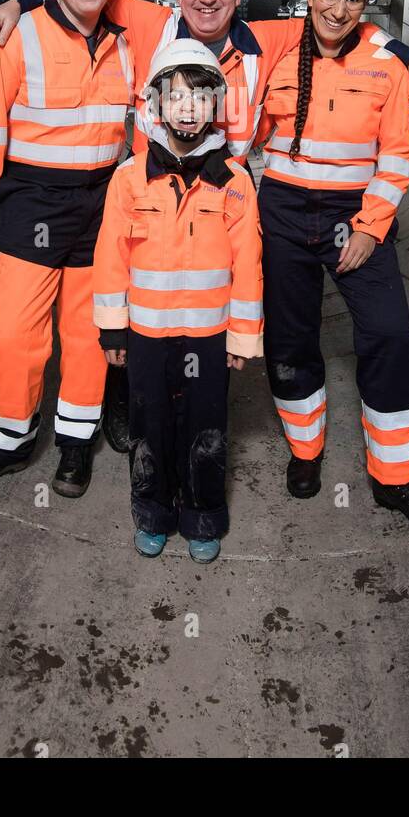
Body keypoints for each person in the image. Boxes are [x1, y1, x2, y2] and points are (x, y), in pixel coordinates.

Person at [0, 0, 409, 448]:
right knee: (140, 298)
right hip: (150, 194)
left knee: (201, 306)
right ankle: (126, 391)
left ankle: (196, 410)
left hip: (222, 199)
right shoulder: (150, 26)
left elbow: (339, 18)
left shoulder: (263, 41)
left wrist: (406, 53)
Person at [0, 0, 150, 499]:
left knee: (90, 335)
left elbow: (205, 16)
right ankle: (7, 443)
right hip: (28, 204)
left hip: (100, 206)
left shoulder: (128, 38)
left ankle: (74, 446)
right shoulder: (11, 38)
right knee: (12, 333)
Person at [257, 0, 409, 535]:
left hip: (355, 211)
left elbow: (397, 155)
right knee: (291, 339)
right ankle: (305, 452)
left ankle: (396, 479)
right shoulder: (272, 44)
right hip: (283, 211)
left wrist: (371, 227)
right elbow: (199, 20)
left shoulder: (385, 62)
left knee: (391, 334)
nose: (339, 9)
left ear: (366, 2)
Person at [92, 39, 264, 562]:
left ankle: (203, 517)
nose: (187, 108)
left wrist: (243, 337)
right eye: (175, 96)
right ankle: (152, 514)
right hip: (146, 335)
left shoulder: (234, 182)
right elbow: (110, 257)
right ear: (155, 105)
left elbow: (248, 265)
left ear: (218, 107)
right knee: (150, 428)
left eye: (200, 97)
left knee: (205, 429)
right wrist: (112, 328)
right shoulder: (128, 178)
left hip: (209, 338)